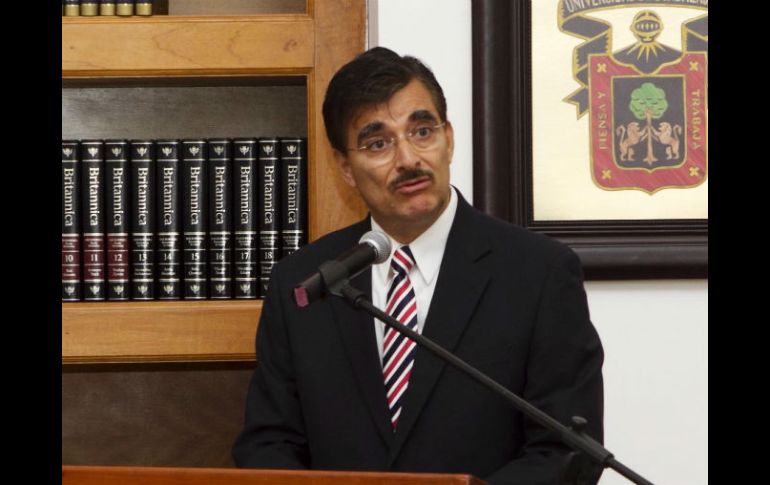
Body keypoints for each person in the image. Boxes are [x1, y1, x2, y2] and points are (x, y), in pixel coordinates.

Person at [232, 46, 604, 485]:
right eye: (378, 143)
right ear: (345, 167)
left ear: (449, 138)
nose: (408, 159)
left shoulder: (538, 273)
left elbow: (566, 452)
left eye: (422, 131)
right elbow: (268, 445)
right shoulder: (305, 282)